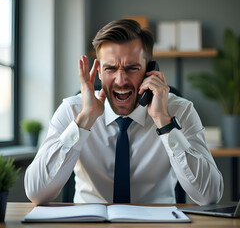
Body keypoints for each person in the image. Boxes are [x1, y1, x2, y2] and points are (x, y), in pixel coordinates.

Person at [24, 19, 224, 205]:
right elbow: (36, 192)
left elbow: (210, 195)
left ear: (150, 70)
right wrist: (84, 121)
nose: (121, 80)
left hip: (157, 224)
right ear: (99, 72)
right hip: (89, 224)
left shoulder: (179, 110)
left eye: (132, 68)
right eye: (110, 68)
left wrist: (165, 122)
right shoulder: (72, 110)